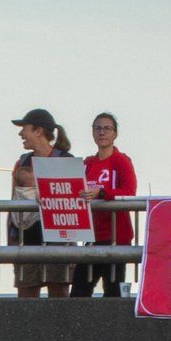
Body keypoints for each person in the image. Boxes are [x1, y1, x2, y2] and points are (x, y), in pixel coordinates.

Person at [75, 112, 136, 298]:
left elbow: (129, 193)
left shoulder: (121, 161)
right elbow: (72, 190)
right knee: (78, 292)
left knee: (112, 294)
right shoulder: (87, 163)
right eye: (98, 128)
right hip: (92, 237)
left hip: (116, 237)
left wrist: (102, 193)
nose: (102, 132)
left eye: (107, 128)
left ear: (115, 134)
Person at [8, 108, 67, 298]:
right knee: (26, 301)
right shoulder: (22, 162)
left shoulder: (65, 161)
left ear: (38, 131)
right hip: (27, 238)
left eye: (24, 128)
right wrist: (12, 238)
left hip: (58, 240)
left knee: (58, 300)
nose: (20, 133)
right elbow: (13, 203)